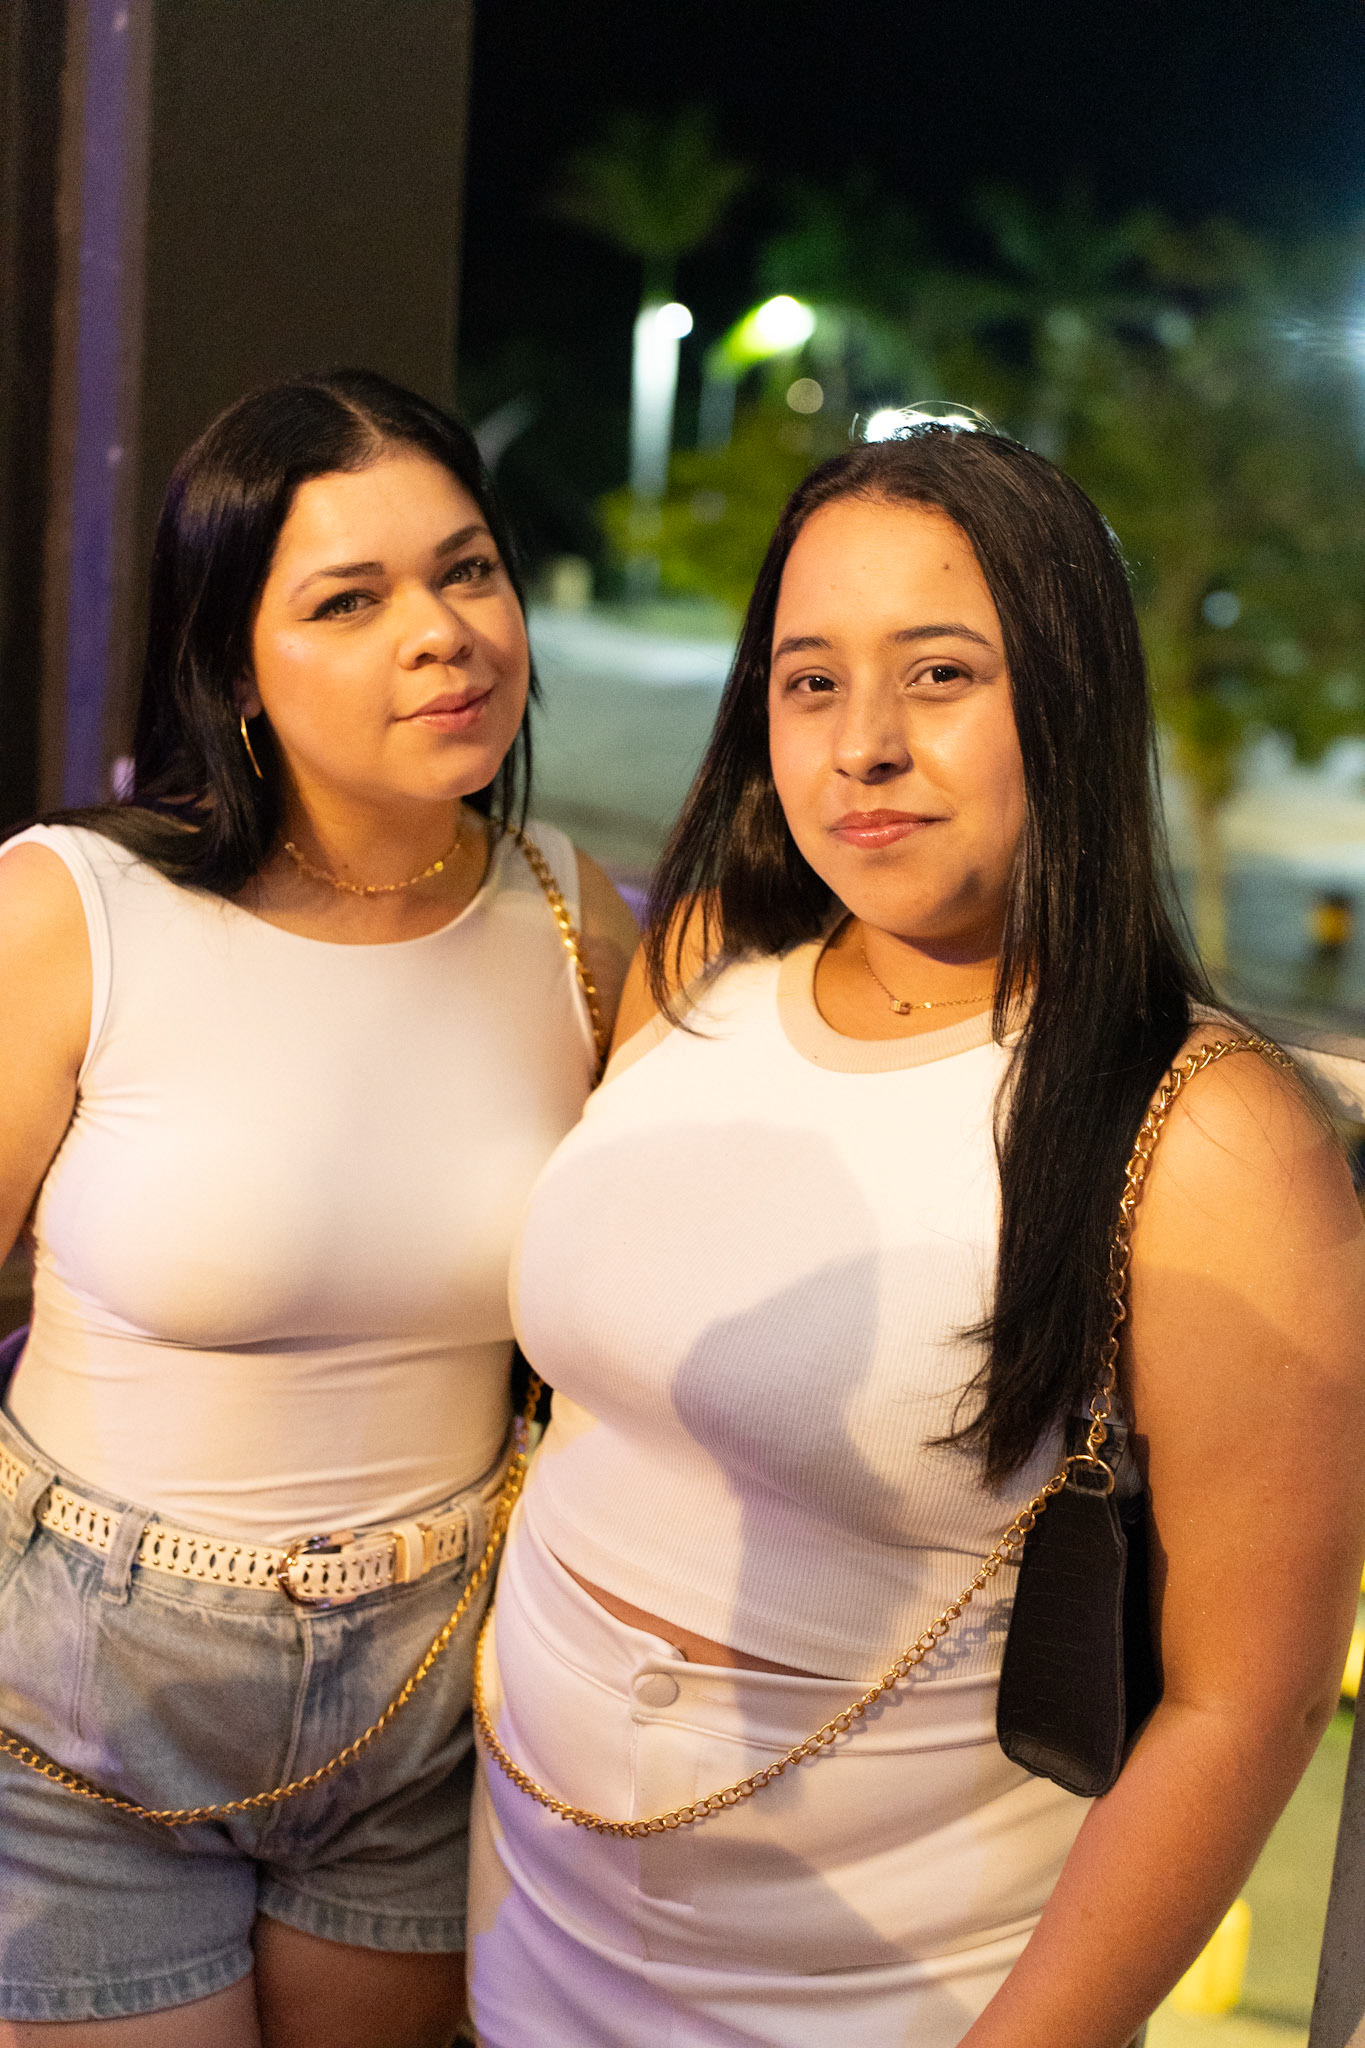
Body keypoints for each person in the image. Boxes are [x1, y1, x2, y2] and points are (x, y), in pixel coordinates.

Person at [468, 421, 1365, 2048]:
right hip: (524, 1925)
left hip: (880, 2005)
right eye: (809, 682)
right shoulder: (701, 965)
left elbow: (1246, 1702)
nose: (863, 746)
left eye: (939, 674)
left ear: (1070, 699)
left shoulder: (1208, 1135)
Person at [0, 370, 635, 2048]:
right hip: (78, 1702)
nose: (443, 634)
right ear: (234, 666)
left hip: (437, 1687)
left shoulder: (573, 917)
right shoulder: (75, 909)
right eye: (349, 601)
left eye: (467, 570)